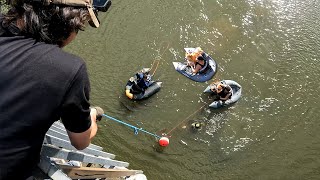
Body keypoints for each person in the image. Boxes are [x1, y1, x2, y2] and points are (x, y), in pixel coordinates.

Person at [0, 0, 106, 179]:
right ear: (67, 23)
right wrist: (93, 115)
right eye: (78, 28)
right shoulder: (69, 69)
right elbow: (81, 142)